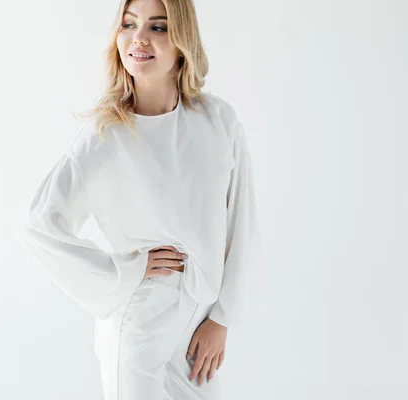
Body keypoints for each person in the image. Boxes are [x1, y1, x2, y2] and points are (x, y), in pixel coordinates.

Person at [17, 0, 263, 398]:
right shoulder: (105, 133)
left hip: (199, 323)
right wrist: (125, 269)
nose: (139, 39)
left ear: (183, 41)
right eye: (128, 25)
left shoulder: (218, 121)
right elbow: (40, 226)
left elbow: (242, 224)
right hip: (140, 321)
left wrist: (223, 318)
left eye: (159, 27)